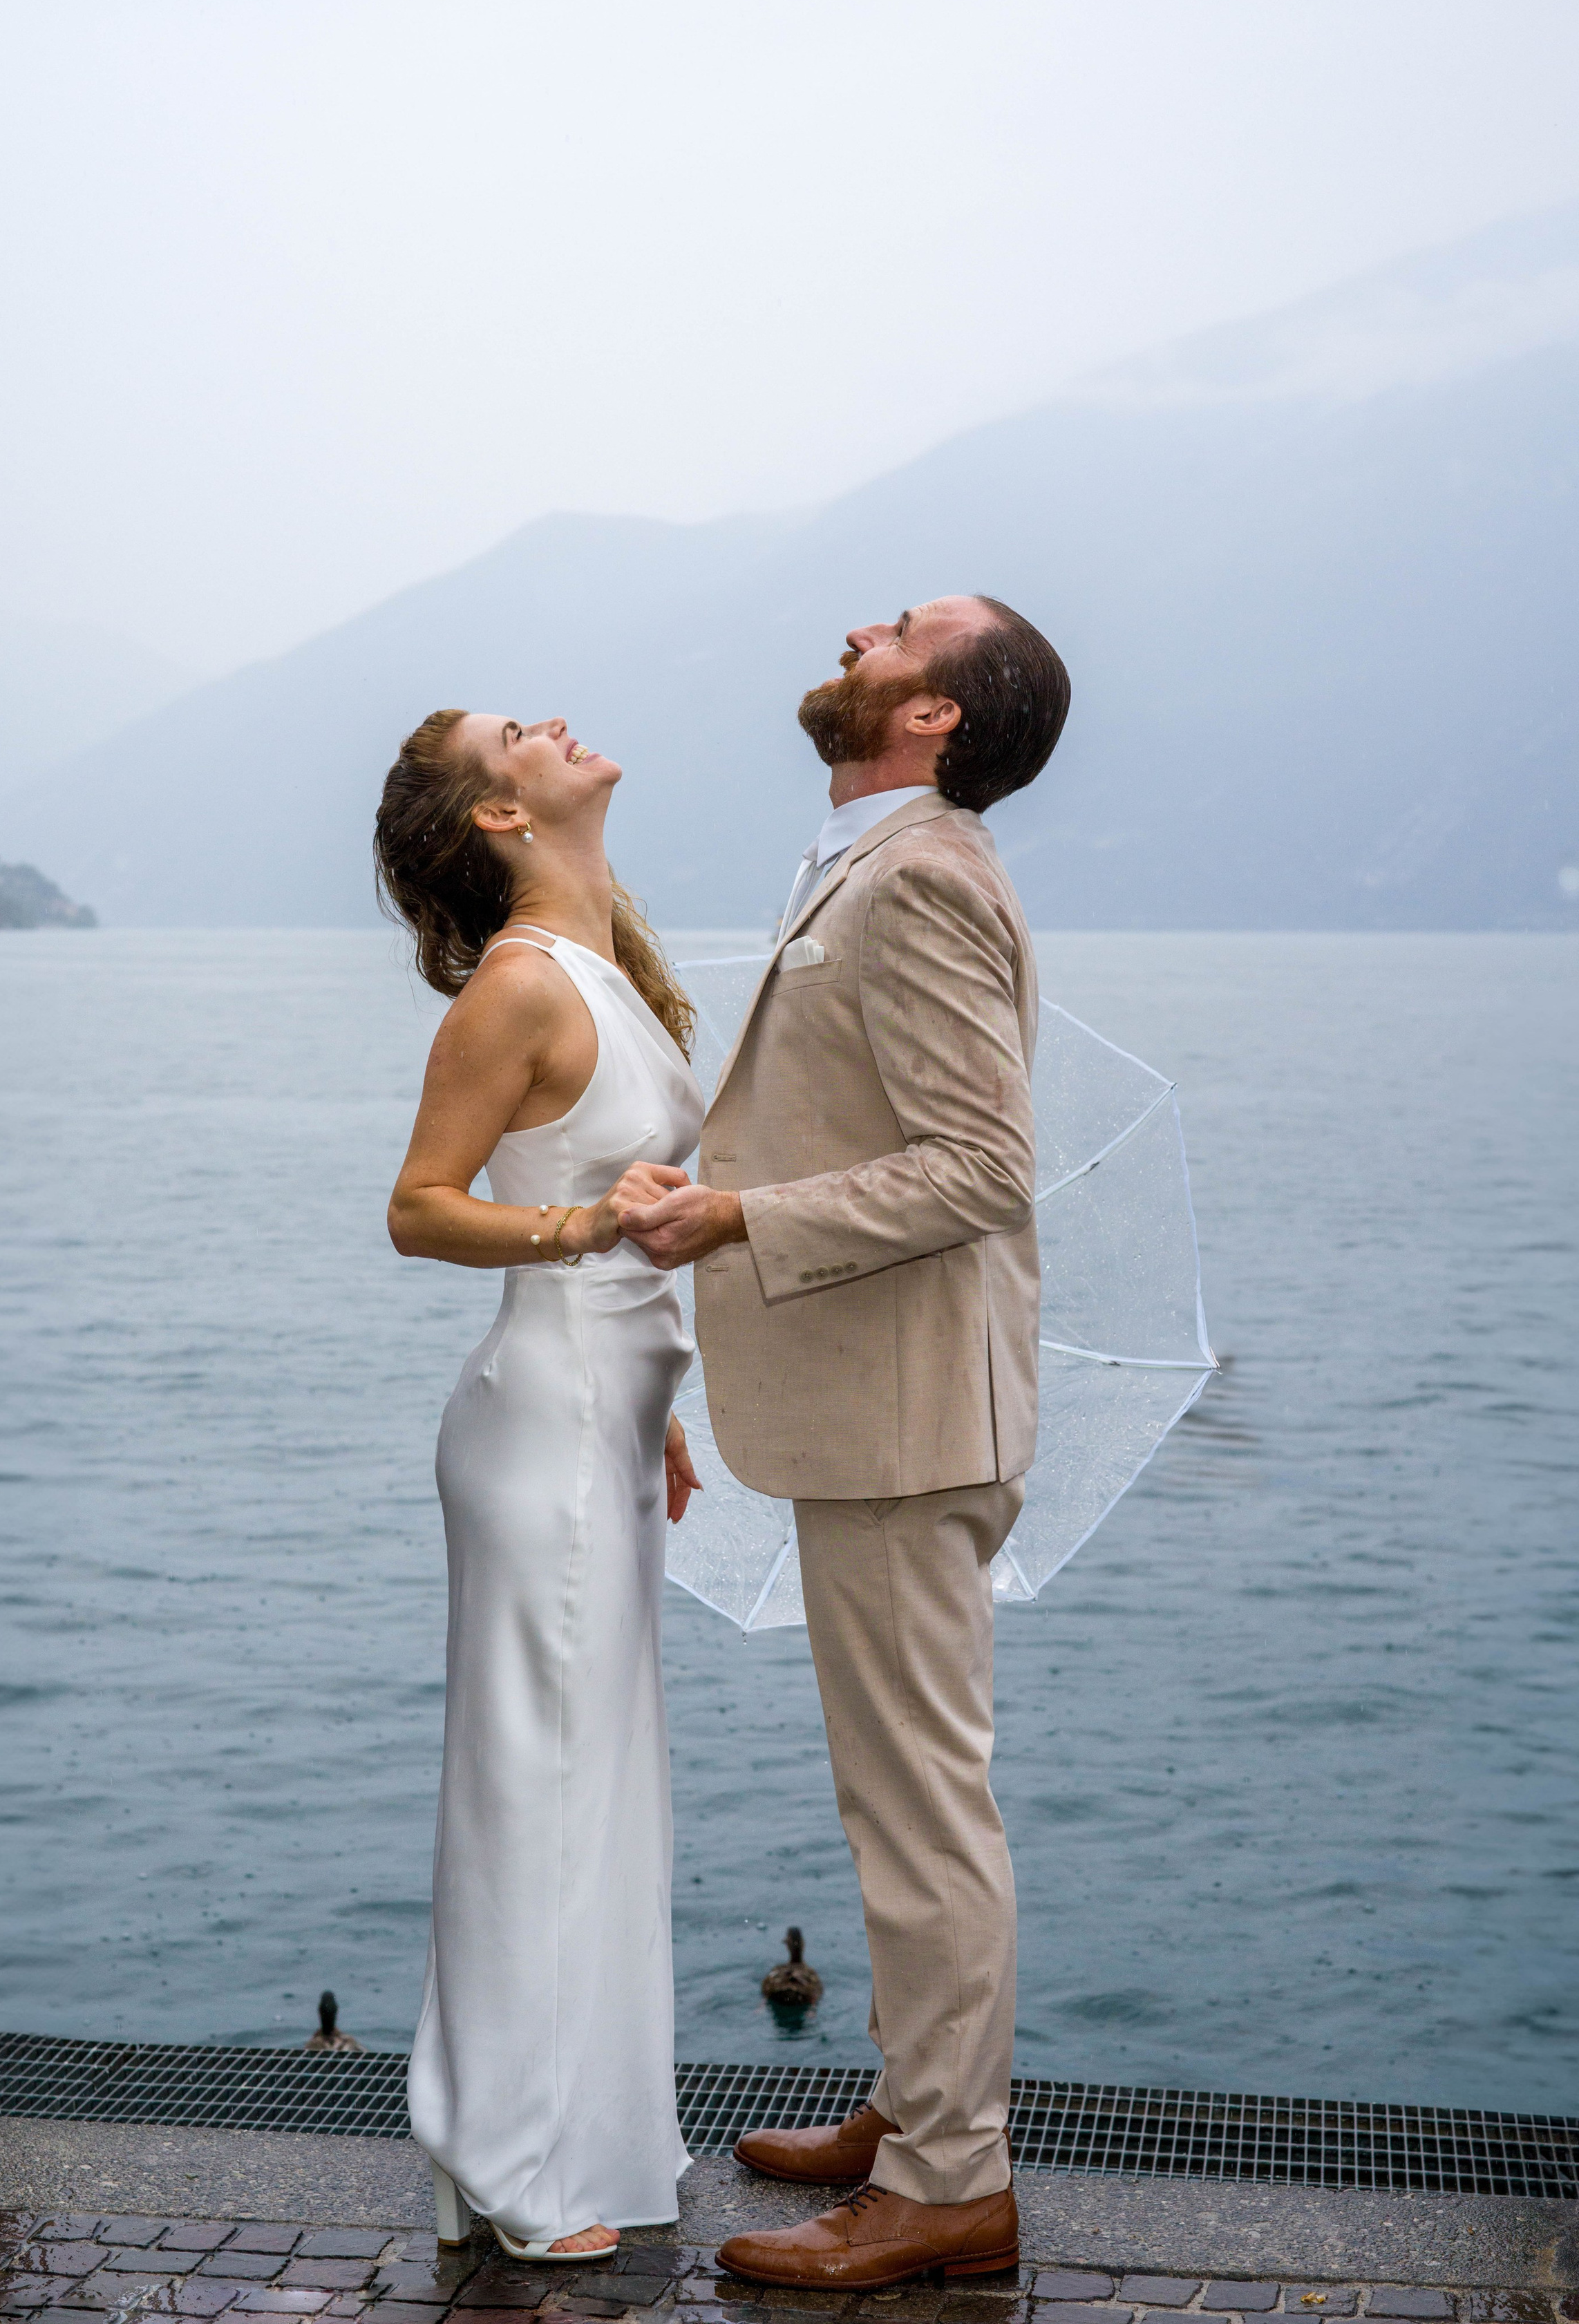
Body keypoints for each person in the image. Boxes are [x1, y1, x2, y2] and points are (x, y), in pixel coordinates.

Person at [620, 597, 1070, 2292]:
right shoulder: (870, 859)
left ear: (935, 714)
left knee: (920, 1807)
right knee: (896, 1792)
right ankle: (911, 2104)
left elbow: (979, 1167)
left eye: (900, 629)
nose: (858, 628)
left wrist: (735, 1212)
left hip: (903, 1416)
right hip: (880, 1405)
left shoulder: (930, 874)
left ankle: (950, 2179)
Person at [376, 708, 703, 2261]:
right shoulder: (516, 986)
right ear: (501, 812)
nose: (556, 724)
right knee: (535, 1787)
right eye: (519, 730)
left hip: (612, 1418)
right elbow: (419, 1210)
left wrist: (676, 1407)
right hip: (542, 1422)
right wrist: (583, 1237)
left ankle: (564, 2123)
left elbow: (643, 1215)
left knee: (593, 1786)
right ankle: (508, 2155)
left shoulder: (608, 971)